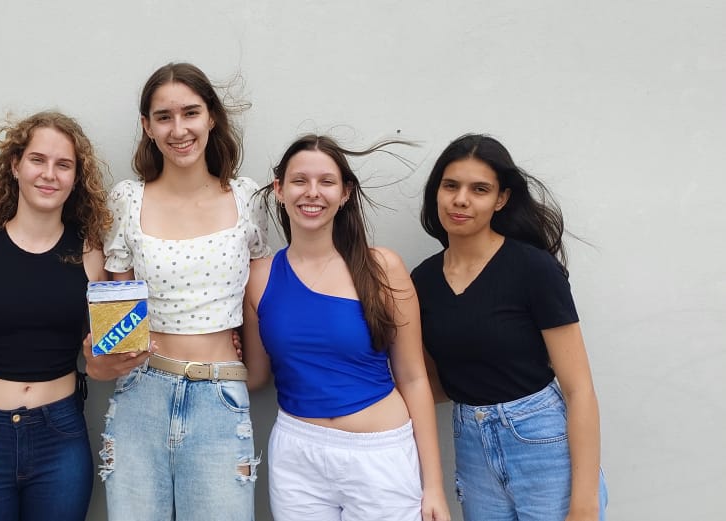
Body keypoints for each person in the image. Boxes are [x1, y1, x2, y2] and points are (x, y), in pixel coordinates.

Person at [89, 62, 268, 521]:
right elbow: (116, 310)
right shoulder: (127, 199)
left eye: (191, 113)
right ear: (147, 126)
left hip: (221, 395)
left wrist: (254, 369)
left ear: (212, 117)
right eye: (164, 117)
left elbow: (260, 297)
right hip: (141, 393)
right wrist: (103, 357)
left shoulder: (247, 198)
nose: (179, 129)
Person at [241, 135, 450, 521]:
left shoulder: (382, 268)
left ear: (345, 193)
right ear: (279, 190)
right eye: (299, 181)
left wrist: (433, 485)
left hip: (379, 455)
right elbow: (255, 376)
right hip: (296, 457)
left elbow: (413, 377)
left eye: (326, 182)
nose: (312, 192)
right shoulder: (259, 277)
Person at [411, 134, 608, 520]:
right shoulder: (423, 281)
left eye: (479, 189)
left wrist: (584, 501)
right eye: (450, 186)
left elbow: (579, 389)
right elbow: (433, 384)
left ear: (501, 199)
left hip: (542, 441)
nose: (461, 199)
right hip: (471, 447)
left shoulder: (532, 268)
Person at [0, 111, 112, 521]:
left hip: (61, 434)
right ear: (15, 165)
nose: (49, 174)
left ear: (76, 177)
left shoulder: (92, 255)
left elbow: (106, 353)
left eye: (63, 165)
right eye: (37, 160)